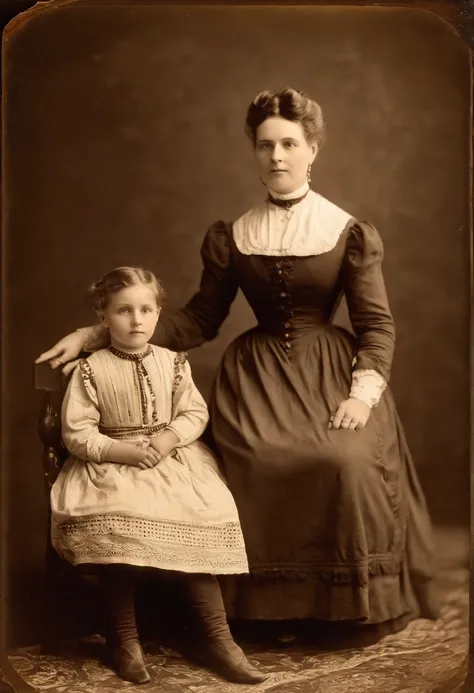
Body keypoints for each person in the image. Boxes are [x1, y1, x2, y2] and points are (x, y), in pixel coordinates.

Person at [37, 88, 439, 641]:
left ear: (312, 150)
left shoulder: (347, 232)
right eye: (265, 145)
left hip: (331, 375)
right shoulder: (233, 234)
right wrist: (92, 333)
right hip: (258, 377)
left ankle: (342, 611)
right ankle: (264, 612)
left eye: (289, 144)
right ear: (254, 151)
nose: (276, 156)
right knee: (253, 462)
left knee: (343, 462)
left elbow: (377, 325)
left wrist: (361, 395)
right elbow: (201, 318)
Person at [49, 266, 268, 685]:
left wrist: (168, 440)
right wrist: (122, 451)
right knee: (120, 524)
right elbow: (77, 432)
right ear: (103, 316)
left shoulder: (174, 362)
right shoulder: (91, 369)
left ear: (158, 312)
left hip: (170, 460)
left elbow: (193, 412)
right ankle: (124, 641)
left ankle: (220, 640)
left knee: (199, 514)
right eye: (123, 311)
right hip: (112, 464)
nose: (136, 320)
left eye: (146, 309)